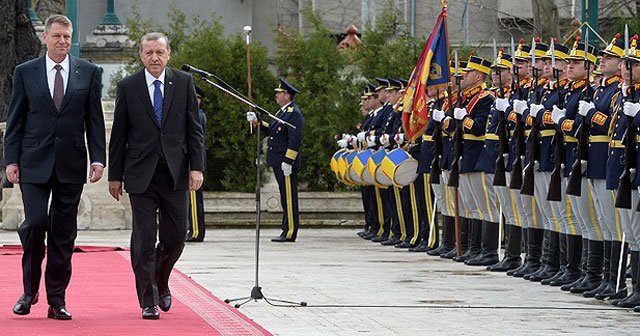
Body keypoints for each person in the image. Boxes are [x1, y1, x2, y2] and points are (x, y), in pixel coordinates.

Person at [4, 14, 106, 320]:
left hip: (71, 164)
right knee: (35, 223)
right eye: (57, 35)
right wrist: (10, 160)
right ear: (45, 37)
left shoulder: (87, 72)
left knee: (63, 234)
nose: (63, 41)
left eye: (67, 36)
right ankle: (29, 290)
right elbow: (15, 119)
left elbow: (95, 120)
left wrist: (98, 158)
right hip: (33, 163)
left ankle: (56, 300)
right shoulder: (26, 72)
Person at [108, 32, 204, 319]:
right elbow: (119, 134)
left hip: (175, 174)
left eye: (159, 52)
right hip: (141, 175)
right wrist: (115, 175)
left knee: (176, 237)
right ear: (141, 55)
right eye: (148, 52)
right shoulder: (128, 86)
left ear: (168, 54)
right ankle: (147, 300)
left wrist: (196, 167)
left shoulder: (184, 83)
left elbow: (194, 130)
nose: (154, 57)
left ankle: (160, 279)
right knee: (144, 239)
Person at [247, 79, 304, 242]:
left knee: (289, 197)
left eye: (279, 93)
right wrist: (257, 123)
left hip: (286, 162)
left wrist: (289, 161)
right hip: (278, 160)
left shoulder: (293, 114)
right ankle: (286, 229)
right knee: (285, 196)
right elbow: (273, 131)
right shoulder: (282, 113)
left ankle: (290, 231)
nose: (276, 96)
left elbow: (295, 140)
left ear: (287, 95)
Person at [186, 86, 208, 242]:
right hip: (192, 161)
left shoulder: (197, 116)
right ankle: (194, 229)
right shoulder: (196, 115)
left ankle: (195, 231)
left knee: (194, 200)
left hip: (193, 162)